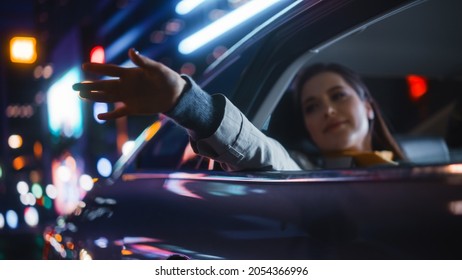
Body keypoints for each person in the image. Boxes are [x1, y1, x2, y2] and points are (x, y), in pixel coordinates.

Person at [73, 48, 405, 171]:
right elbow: (267, 154)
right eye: (312, 106)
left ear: (368, 106)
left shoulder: (433, 169)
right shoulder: (302, 174)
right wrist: (187, 104)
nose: (328, 112)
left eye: (339, 96)